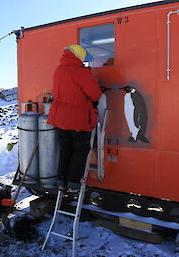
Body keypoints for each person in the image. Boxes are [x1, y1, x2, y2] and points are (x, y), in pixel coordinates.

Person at [47, 44, 102, 192]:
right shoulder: (81, 72)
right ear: (79, 57)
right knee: (80, 149)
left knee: (65, 148)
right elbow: (95, 94)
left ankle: (61, 181)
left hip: (60, 117)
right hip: (78, 119)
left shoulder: (59, 70)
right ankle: (73, 183)